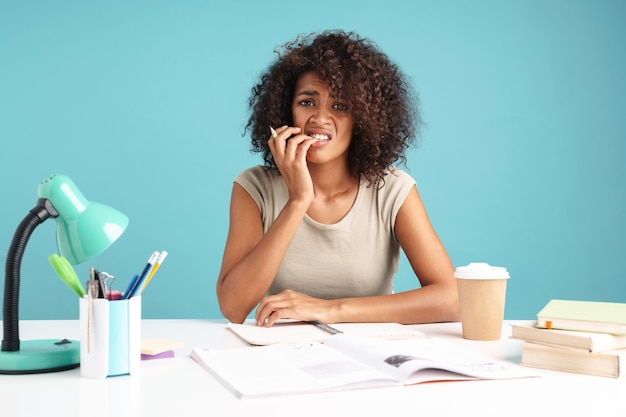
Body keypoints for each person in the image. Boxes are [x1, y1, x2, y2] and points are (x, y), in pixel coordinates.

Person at [216, 30, 460, 327]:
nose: (320, 118)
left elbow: (454, 299)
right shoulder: (253, 187)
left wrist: (329, 310)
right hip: (283, 353)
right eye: (307, 102)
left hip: (371, 354)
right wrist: (298, 200)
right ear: (285, 111)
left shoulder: (392, 189)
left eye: (340, 106)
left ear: (364, 119)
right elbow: (233, 306)